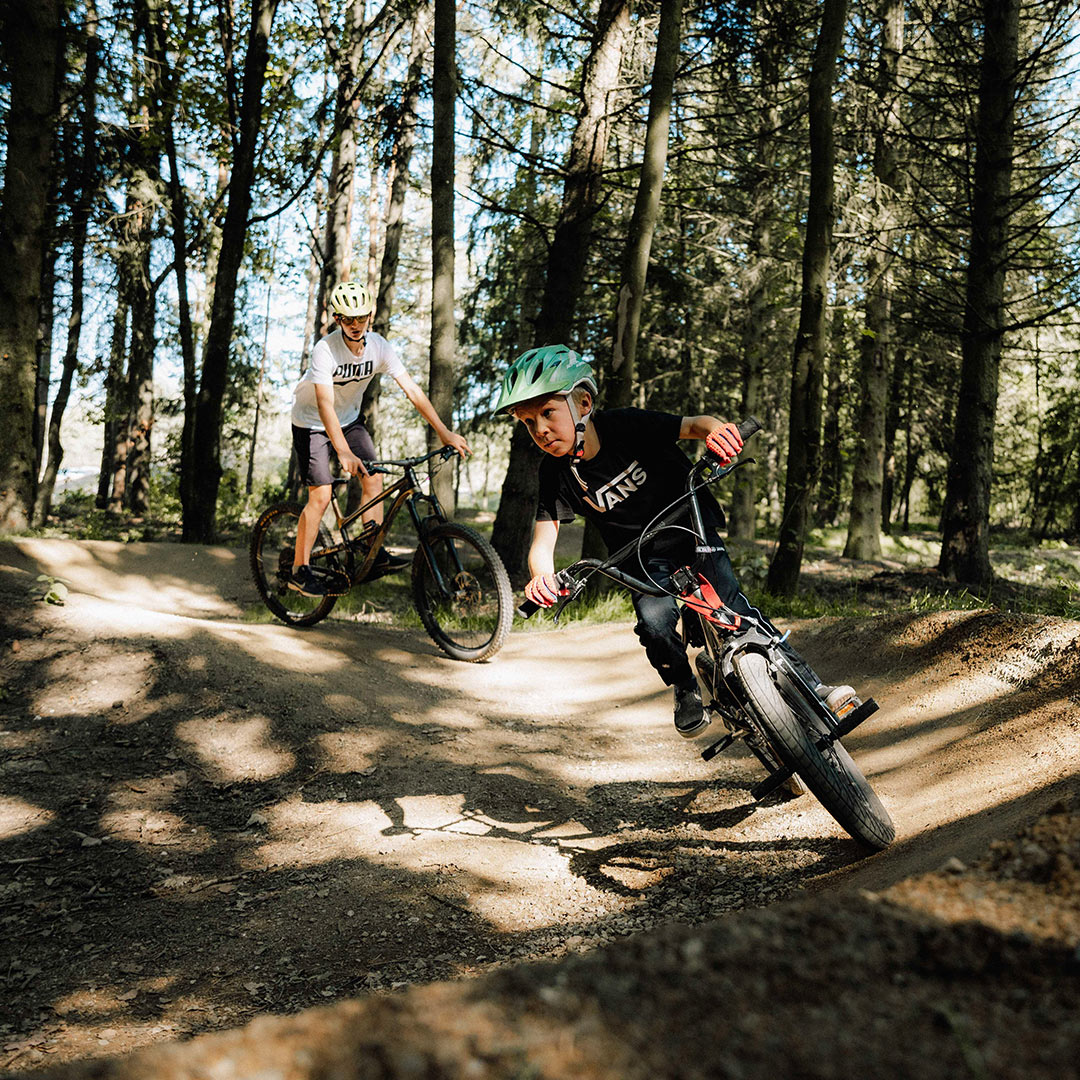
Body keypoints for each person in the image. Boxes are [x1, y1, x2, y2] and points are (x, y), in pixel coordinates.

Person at [495, 343, 856, 738]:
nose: (540, 430)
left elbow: (696, 424)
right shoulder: (555, 473)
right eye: (528, 423)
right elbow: (543, 541)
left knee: (733, 603)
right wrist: (541, 577)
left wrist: (719, 433)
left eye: (547, 413)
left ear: (583, 403)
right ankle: (684, 687)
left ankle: (814, 687)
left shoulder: (625, 425)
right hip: (642, 560)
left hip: (691, 525)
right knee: (654, 625)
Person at [289, 281, 469, 596]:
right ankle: (299, 570)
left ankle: (371, 551)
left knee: (374, 478)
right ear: (337, 319)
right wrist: (343, 452)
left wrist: (445, 433)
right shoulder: (325, 350)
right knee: (320, 495)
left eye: (361, 318)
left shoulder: (379, 347)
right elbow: (324, 404)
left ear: (370, 316)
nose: (355, 325)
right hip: (311, 423)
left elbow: (412, 391)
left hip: (349, 420)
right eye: (347, 319)